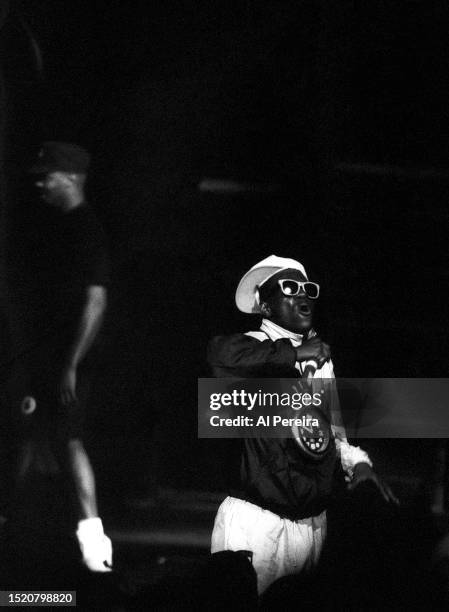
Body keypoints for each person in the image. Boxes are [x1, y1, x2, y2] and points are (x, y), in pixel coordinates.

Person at [207, 255, 397, 594]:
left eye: (308, 289)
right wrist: (295, 354)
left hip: (311, 527)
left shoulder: (321, 361)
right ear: (264, 306)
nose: (303, 295)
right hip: (256, 523)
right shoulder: (252, 348)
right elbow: (221, 357)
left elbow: (332, 436)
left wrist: (360, 466)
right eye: (290, 288)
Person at [12, 141, 112, 572]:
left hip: (69, 363)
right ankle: (18, 529)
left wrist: (72, 362)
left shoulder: (85, 228)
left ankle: (95, 548)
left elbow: (96, 300)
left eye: (47, 175)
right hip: (46, 358)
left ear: (70, 177)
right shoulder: (55, 229)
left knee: (69, 443)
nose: (40, 182)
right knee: (30, 436)